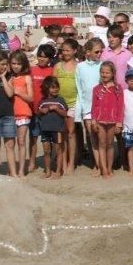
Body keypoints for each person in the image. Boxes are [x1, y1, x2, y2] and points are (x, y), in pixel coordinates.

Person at [90, 61, 124, 178]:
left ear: (113, 74)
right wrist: (93, 121)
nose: (104, 75)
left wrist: (119, 123)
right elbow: (94, 106)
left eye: (107, 72)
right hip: (100, 121)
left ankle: (110, 168)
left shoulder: (118, 89)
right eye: (102, 72)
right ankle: (103, 170)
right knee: (102, 144)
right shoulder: (96, 89)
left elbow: (120, 106)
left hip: (113, 121)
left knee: (110, 145)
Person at [76, 38, 104, 174]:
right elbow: (79, 89)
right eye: (97, 51)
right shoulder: (80, 67)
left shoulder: (103, 65)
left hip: (102, 107)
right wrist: (81, 109)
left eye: (101, 51)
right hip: (87, 107)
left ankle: (104, 165)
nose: (99, 54)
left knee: (102, 138)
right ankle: (98, 166)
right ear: (87, 52)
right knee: (93, 138)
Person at [28, 44, 55, 173]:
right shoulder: (31, 70)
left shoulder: (53, 71)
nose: (41, 59)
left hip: (48, 112)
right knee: (33, 138)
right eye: (39, 56)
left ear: (50, 58)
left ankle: (49, 164)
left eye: (45, 57)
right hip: (33, 110)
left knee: (48, 140)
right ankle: (32, 162)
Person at [54, 38, 80, 174]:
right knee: (61, 134)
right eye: (63, 50)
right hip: (60, 103)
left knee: (71, 133)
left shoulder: (79, 66)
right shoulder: (58, 66)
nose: (65, 53)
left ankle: (71, 163)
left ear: (75, 51)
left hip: (73, 103)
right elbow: (53, 85)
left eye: (68, 50)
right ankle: (62, 161)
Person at [8, 50, 34, 177]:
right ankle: (13, 169)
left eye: (18, 63)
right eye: (13, 63)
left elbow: (31, 98)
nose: (16, 66)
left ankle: (21, 170)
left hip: (23, 113)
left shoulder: (27, 78)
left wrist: (18, 92)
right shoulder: (9, 77)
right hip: (10, 113)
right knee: (10, 143)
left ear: (23, 64)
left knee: (21, 142)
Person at [38, 76, 67, 179]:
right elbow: (39, 112)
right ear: (46, 88)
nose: (55, 89)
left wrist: (56, 109)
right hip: (45, 129)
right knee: (46, 151)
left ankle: (58, 171)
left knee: (58, 150)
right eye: (52, 87)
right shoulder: (42, 101)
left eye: (57, 87)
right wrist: (42, 111)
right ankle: (47, 170)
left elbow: (65, 114)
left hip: (57, 129)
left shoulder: (60, 100)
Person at [101, 25, 132, 90]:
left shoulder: (128, 55)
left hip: (124, 91)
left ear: (121, 38)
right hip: (107, 90)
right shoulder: (102, 53)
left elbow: (131, 74)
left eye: (114, 37)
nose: (111, 40)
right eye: (109, 37)